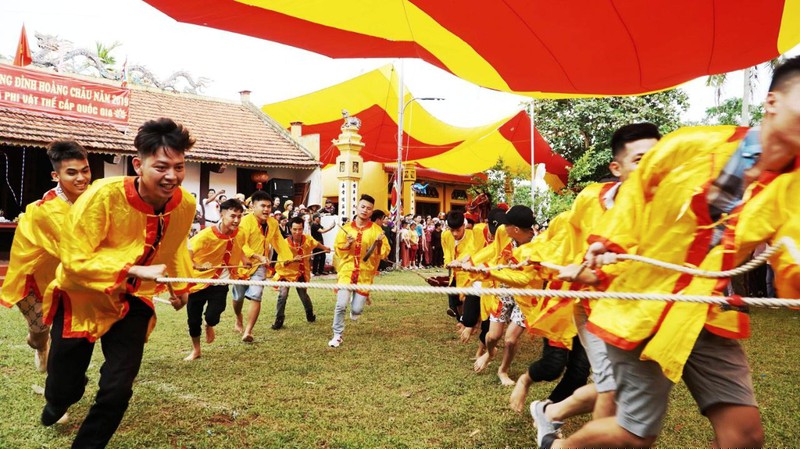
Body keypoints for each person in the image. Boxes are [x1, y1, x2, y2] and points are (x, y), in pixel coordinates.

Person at [549, 57, 800, 449]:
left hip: (703, 311)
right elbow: (633, 199)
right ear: (772, 102)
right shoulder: (691, 146)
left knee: (745, 436)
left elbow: (791, 263)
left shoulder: (795, 192)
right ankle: (561, 446)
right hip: (642, 305)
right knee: (633, 435)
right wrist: (605, 246)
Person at [39, 118, 196, 448]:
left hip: (133, 300)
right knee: (64, 385)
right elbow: (75, 257)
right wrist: (133, 270)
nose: (172, 176)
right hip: (82, 294)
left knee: (118, 385)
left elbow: (176, 242)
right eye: (162, 166)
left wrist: (179, 287)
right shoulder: (102, 195)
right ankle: (58, 399)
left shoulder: (185, 203)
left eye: (179, 167)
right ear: (138, 164)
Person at [524, 122, 661, 447]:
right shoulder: (590, 200)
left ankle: (549, 411)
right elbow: (558, 244)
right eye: (642, 159)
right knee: (612, 389)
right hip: (592, 306)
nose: (653, 168)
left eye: (659, 158)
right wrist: (522, 260)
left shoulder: (663, 203)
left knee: (611, 385)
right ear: (617, 167)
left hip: (637, 312)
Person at [0, 140, 91, 373]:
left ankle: (57, 398)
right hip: (33, 279)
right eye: (71, 173)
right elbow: (77, 249)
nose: (81, 178)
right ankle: (39, 345)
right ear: (55, 175)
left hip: (66, 277)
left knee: (65, 338)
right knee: (39, 335)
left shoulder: (93, 199)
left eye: (85, 170)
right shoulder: (46, 211)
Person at [183, 199, 248, 361]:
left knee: (214, 315)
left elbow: (240, 247)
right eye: (233, 216)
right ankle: (196, 350)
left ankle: (209, 324)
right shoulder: (205, 235)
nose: (236, 220)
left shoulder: (240, 232)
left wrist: (245, 259)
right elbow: (187, 252)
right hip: (198, 282)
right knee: (193, 318)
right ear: (221, 214)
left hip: (221, 280)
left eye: (239, 216)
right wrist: (195, 264)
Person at [231, 191, 293, 342]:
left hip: (260, 266)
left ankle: (248, 331)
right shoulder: (245, 221)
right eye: (263, 206)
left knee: (256, 296)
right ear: (253, 206)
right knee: (238, 297)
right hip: (242, 264)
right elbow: (240, 244)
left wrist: (288, 258)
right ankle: (238, 317)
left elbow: (279, 241)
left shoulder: (273, 223)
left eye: (269, 206)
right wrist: (256, 255)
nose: (266, 209)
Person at [328, 194, 390, 348]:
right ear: (357, 207)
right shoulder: (346, 228)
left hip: (365, 274)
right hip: (347, 271)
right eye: (362, 207)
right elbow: (338, 250)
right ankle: (337, 335)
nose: (365, 210)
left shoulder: (377, 230)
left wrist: (380, 244)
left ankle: (355, 309)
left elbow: (384, 253)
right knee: (341, 304)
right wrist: (347, 244)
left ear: (372, 211)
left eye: (369, 208)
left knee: (356, 310)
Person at [271, 217, 330, 329]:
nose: (297, 232)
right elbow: (281, 262)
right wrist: (292, 260)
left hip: (301, 273)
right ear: (290, 229)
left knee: (303, 295)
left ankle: (310, 314)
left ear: (303, 228)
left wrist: (325, 248)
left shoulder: (307, 239)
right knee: (282, 295)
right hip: (286, 274)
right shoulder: (284, 243)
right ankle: (279, 319)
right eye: (294, 229)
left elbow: (316, 243)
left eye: (300, 229)